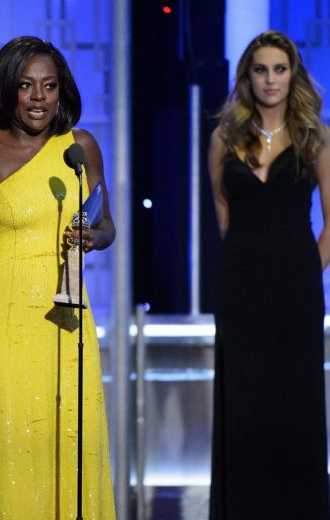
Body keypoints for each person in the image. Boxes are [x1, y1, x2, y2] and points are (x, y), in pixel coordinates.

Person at [0, 36, 116, 519]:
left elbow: (107, 225)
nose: (39, 97)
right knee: (8, 445)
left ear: (62, 91)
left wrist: (94, 237)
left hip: (68, 321)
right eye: (26, 85)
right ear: (6, 89)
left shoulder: (80, 147)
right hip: (5, 322)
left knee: (70, 441)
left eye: (49, 86)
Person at [208, 30, 330, 520]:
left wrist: (304, 272)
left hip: (297, 291)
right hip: (239, 288)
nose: (271, 79)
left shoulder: (315, 137)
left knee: (295, 406)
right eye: (261, 70)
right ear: (248, 76)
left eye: (280, 69)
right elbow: (223, 217)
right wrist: (250, 269)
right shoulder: (223, 137)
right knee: (243, 406)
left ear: (293, 75)